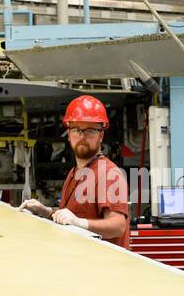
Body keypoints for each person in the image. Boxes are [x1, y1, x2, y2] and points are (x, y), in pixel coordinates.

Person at [19, 95, 129, 249]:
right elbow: (70, 217)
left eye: (90, 130)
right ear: (69, 135)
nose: (83, 136)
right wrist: (46, 211)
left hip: (102, 268)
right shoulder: (74, 173)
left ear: (101, 135)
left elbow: (117, 226)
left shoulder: (108, 174)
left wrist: (80, 223)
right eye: (77, 129)